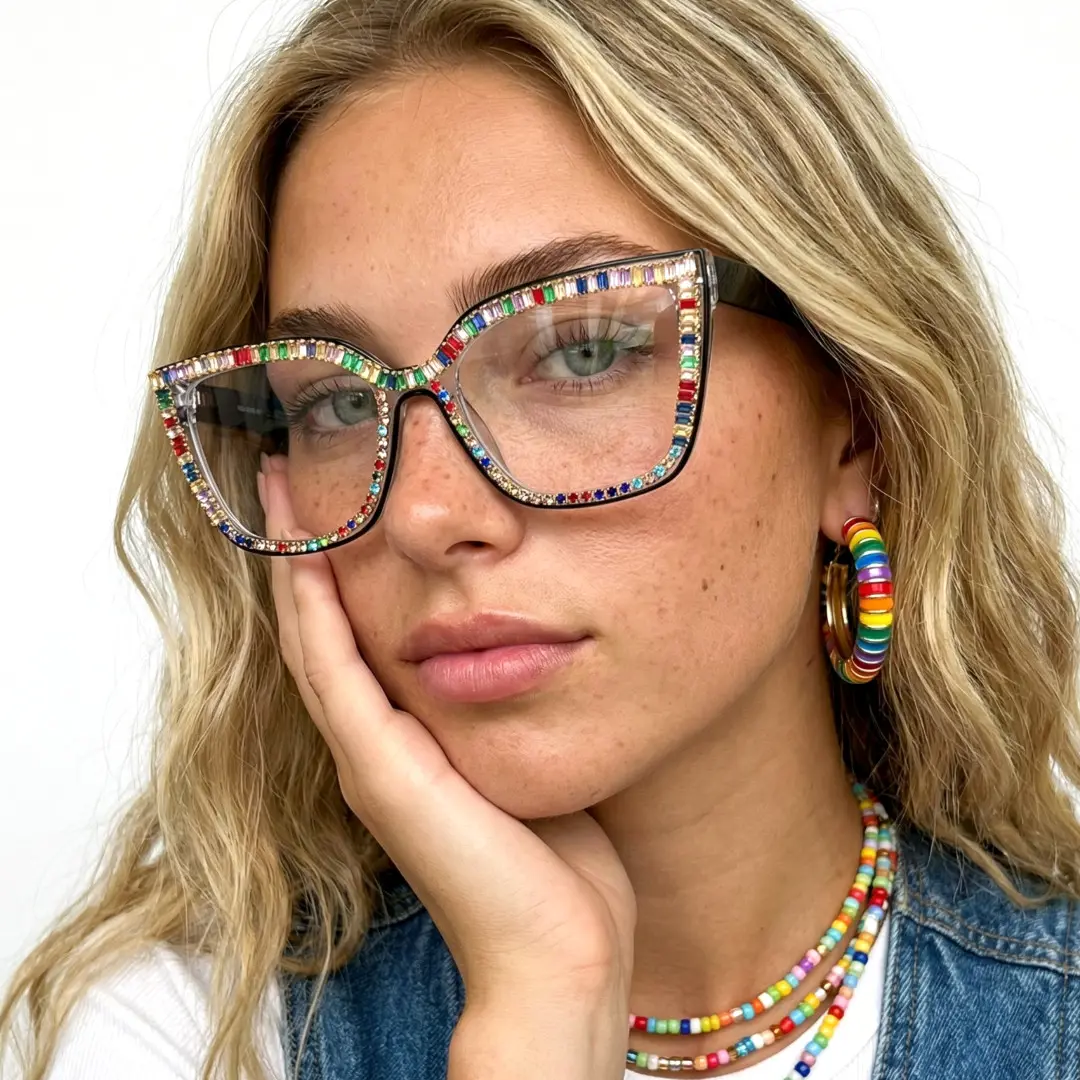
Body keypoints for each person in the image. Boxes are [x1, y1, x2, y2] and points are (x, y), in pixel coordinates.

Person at [3, 1, 1079, 1078]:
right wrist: (538, 1002)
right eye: (334, 399)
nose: (426, 514)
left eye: (580, 352)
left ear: (855, 420)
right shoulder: (183, 1039)